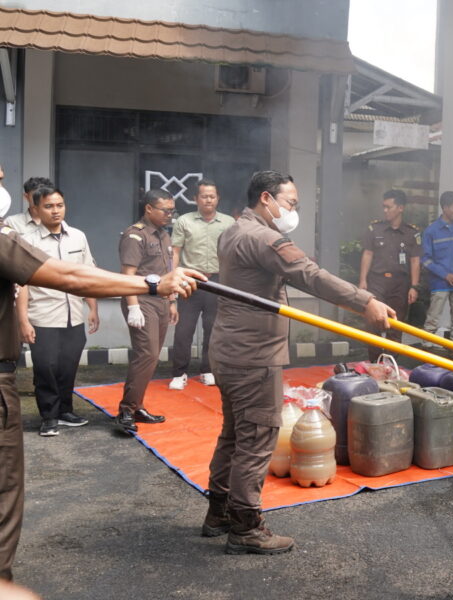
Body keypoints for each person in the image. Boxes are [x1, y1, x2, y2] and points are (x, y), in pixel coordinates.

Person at [2, 164, 204, 582]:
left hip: (78, 312)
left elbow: (82, 269)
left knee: (69, 366)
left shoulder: (84, 236)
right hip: (48, 318)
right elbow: (72, 276)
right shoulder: (11, 238)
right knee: (5, 491)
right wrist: (149, 288)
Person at [204, 170, 393, 555]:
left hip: (228, 349)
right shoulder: (263, 237)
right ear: (266, 199)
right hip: (253, 355)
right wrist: (364, 301)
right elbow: (309, 275)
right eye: (291, 203)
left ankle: (219, 512)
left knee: (235, 434)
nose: (294, 210)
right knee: (257, 437)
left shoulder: (233, 230)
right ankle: (245, 527)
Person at [16, 187, 99, 437]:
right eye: (49, 206)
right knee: (46, 367)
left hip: (73, 314)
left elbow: (87, 274)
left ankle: (65, 410)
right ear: (37, 210)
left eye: (59, 205)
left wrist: (92, 307)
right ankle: (49, 416)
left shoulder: (78, 236)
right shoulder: (28, 241)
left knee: (68, 365)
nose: (55, 210)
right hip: (43, 315)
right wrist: (23, 321)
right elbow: (22, 284)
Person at [116, 189, 179, 434]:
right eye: (165, 210)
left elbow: (168, 270)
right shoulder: (135, 235)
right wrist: (132, 306)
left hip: (161, 301)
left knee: (152, 356)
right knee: (147, 355)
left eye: (172, 211)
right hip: (142, 301)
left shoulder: (163, 235)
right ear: (149, 209)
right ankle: (126, 410)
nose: (169, 215)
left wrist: (172, 301)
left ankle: (137, 405)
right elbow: (127, 276)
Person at [169, 180, 233, 390]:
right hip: (190, 280)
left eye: (212, 196)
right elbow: (175, 252)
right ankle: (179, 373)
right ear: (195, 199)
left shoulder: (229, 223)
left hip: (217, 281)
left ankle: (207, 370)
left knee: (213, 328)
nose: (208, 200)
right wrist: (172, 281)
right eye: (204, 196)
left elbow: (234, 255)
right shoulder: (184, 221)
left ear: (218, 198)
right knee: (183, 329)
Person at [358, 189, 420, 359]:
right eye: (383, 207)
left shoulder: (411, 232)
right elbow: (368, 253)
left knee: (396, 325)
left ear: (400, 208)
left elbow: (415, 260)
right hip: (376, 282)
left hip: (400, 284)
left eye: (388, 207)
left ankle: (391, 367)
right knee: (373, 324)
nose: (385, 210)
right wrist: (363, 280)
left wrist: (414, 286)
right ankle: (374, 364)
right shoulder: (375, 229)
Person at [421, 191, 453, 344]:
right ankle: (427, 352)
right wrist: (444, 275)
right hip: (439, 285)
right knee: (433, 321)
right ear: (445, 208)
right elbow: (425, 259)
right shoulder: (431, 231)